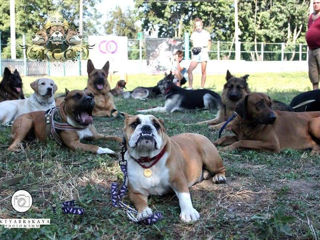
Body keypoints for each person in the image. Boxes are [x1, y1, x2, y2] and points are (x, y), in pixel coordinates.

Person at [187, 18, 211, 89]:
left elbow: (209, 42)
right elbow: (193, 44)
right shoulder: (194, 34)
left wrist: (208, 49)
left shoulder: (206, 33)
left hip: (203, 52)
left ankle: (202, 88)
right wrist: (193, 52)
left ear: (202, 25)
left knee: (203, 71)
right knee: (189, 70)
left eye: (199, 26)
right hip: (196, 53)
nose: (198, 27)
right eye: (196, 26)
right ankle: (190, 87)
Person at [306, 0, 320, 90]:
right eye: (314, 3)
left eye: (318, 2)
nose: (316, 4)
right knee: (313, 75)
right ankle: (315, 96)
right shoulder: (311, 16)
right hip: (311, 49)